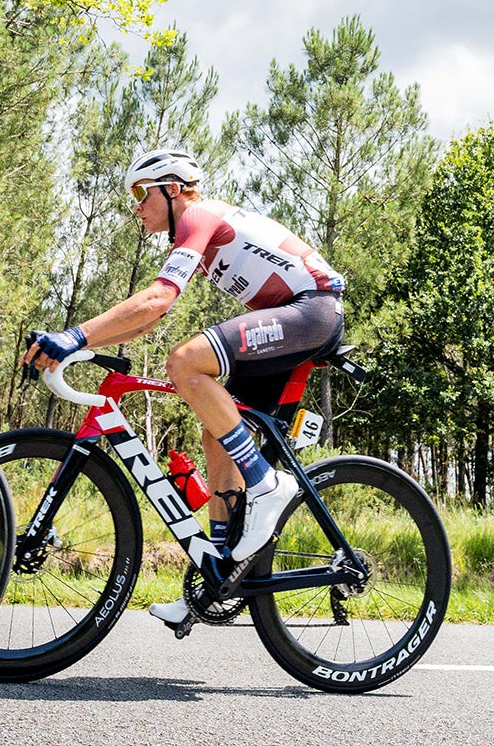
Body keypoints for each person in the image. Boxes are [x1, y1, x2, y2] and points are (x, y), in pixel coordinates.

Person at [25, 148, 344, 632]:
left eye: (140, 192)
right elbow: (142, 322)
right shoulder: (195, 232)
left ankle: (266, 485)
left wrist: (73, 335)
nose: (136, 206)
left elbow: (156, 300)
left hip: (313, 309)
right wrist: (79, 344)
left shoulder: (197, 214)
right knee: (217, 432)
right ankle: (218, 571)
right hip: (294, 320)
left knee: (185, 363)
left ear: (172, 190)